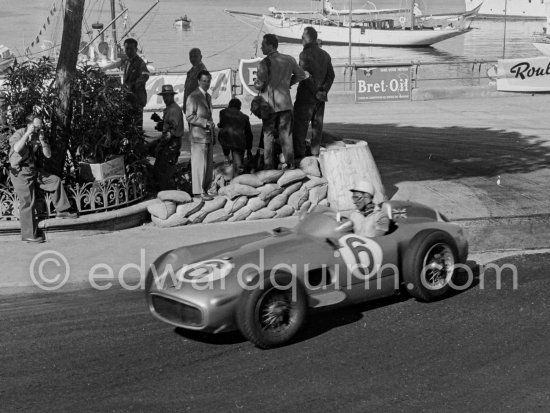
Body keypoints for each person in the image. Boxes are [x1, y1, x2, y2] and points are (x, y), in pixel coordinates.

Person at [9, 116, 77, 243]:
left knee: (54, 181)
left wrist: (43, 141)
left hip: (32, 170)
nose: (39, 129)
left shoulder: (39, 136)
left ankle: (62, 210)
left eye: (41, 127)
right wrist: (28, 133)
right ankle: (28, 235)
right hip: (19, 172)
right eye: (36, 127)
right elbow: (17, 149)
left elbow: (48, 154)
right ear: (29, 125)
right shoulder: (19, 133)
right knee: (28, 202)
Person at [254, 33, 306, 170]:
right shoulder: (288, 59)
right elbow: (301, 75)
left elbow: (260, 84)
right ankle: (290, 163)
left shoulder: (264, 63)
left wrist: (256, 84)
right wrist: (289, 82)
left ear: (270, 45)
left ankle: (268, 164)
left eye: (263, 45)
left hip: (269, 105)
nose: (261, 47)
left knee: (268, 134)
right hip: (285, 103)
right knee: (286, 134)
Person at [293, 27, 335, 160]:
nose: (301, 39)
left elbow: (304, 75)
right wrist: (323, 90)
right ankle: (315, 154)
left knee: (300, 128)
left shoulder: (304, 55)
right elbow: (331, 76)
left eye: (303, 37)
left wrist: (316, 91)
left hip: (306, 97)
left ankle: (300, 157)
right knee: (317, 128)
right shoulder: (325, 55)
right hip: (320, 98)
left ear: (308, 39)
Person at [186, 70, 215, 201]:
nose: (206, 83)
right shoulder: (193, 96)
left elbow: (209, 115)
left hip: (208, 136)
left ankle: (206, 189)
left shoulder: (208, 96)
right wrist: (205, 123)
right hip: (198, 137)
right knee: (199, 165)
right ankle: (198, 191)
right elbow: (189, 116)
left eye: (208, 81)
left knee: (208, 165)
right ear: (198, 81)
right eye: (204, 81)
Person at [153, 84, 184, 191]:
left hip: (171, 144)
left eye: (167, 96)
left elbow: (171, 131)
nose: (165, 98)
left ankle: (167, 192)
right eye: (164, 96)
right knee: (161, 169)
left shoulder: (174, 109)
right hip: (169, 142)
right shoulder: (170, 108)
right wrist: (160, 122)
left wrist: (160, 145)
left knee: (163, 170)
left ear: (172, 96)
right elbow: (167, 126)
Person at [217, 98, 253, 175]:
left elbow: (221, 125)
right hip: (238, 142)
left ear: (229, 105)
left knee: (224, 133)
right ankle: (238, 174)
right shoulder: (245, 117)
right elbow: (249, 134)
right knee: (238, 166)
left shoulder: (223, 112)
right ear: (240, 107)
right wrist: (249, 149)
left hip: (225, 140)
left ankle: (226, 156)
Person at [122, 38, 150, 130]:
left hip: (137, 99)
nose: (129, 51)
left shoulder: (140, 62)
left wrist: (133, 85)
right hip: (127, 99)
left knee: (137, 127)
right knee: (128, 126)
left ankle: (138, 144)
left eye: (131, 49)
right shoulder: (126, 61)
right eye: (127, 49)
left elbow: (145, 75)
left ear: (136, 49)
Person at [183, 48, 207, 114]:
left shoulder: (203, 71)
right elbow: (187, 90)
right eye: (191, 56)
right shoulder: (190, 71)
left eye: (195, 56)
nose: (193, 59)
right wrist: (185, 106)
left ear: (201, 57)